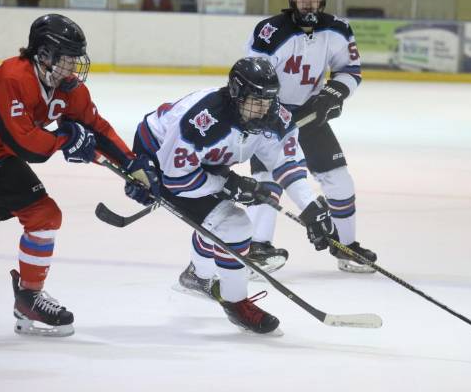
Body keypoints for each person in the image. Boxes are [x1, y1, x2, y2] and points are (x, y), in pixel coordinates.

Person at [0, 14, 158, 337]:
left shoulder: (68, 90)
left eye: (75, 60)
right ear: (43, 54)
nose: (73, 68)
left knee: (44, 215)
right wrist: (66, 140)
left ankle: (29, 297)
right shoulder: (13, 77)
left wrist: (131, 166)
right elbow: (27, 144)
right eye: (67, 60)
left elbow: (97, 129)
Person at [123, 57, 338, 334]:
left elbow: (285, 164)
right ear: (237, 94)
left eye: (269, 100)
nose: (264, 109)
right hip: (158, 159)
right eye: (256, 101)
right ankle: (236, 303)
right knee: (235, 224)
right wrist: (227, 184)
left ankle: (197, 277)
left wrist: (311, 207)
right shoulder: (203, 121)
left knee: (218, 217)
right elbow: (177, 179)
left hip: (203, 161)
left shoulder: (274, 117)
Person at [244, 0, 377, 274]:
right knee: (267, 179)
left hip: (311, 115)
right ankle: (257, 247)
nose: (307, 2)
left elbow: (350, 70)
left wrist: (332, 94)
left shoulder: (338, 29)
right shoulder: (270, 30)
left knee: (339, 178)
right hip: (271, 118)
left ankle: (346, 246)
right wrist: (268, 112)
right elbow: (252, 75)